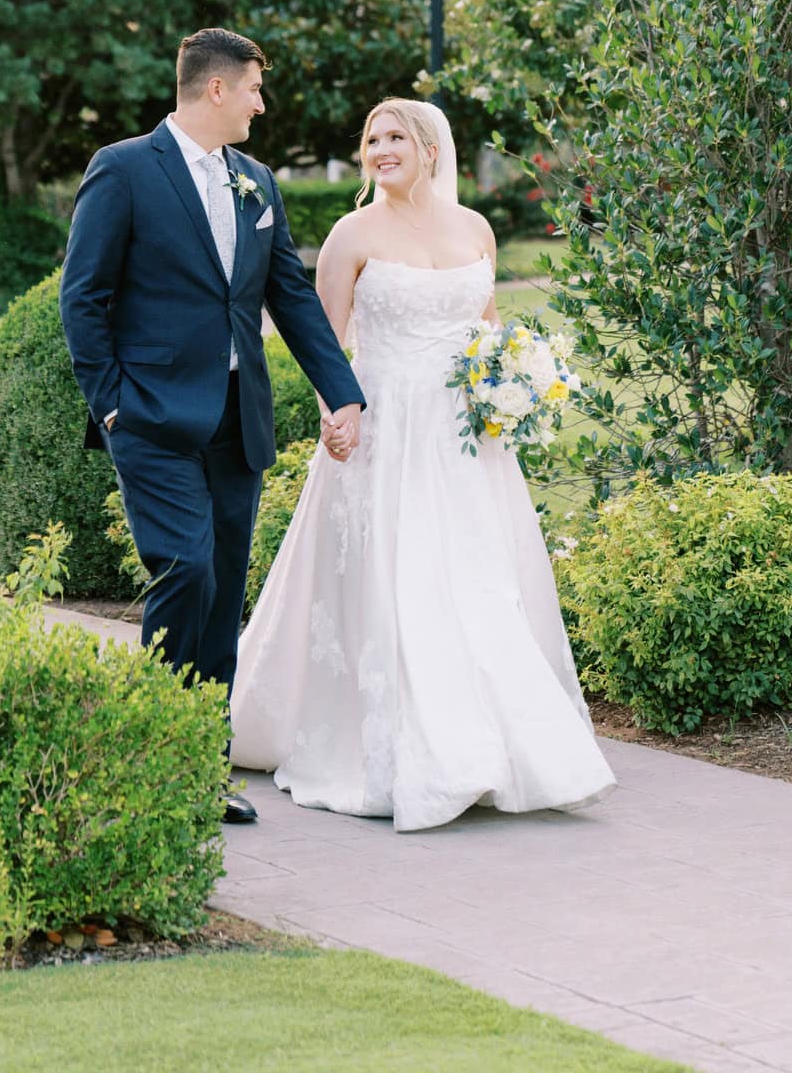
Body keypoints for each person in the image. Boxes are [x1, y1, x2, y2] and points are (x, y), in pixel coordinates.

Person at [230, 96, 616, 831]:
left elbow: (488, 330)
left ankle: (505, 744)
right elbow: (324, 341)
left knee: (478, 581)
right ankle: (419, 749)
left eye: (394, 137)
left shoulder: (474, 229)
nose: (379, 149)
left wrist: (517, 383)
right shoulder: (352, 234)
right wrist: (330, 415)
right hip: (385, 433)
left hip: (469, 442)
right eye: (372, 137)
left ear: (429, 149)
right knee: (401, 582)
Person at [60, 27, 365, 824]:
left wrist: (344, 391)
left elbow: (288, 296)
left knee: (223, 591)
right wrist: (113, 405)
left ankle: (198, 768)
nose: (264, 104)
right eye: (257, 88)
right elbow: (82, 298)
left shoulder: (257, 181)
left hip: (239, 420)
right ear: (218, 88)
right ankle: (151, 762)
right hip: (151, 419)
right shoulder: (124, 170)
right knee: (185, 572)